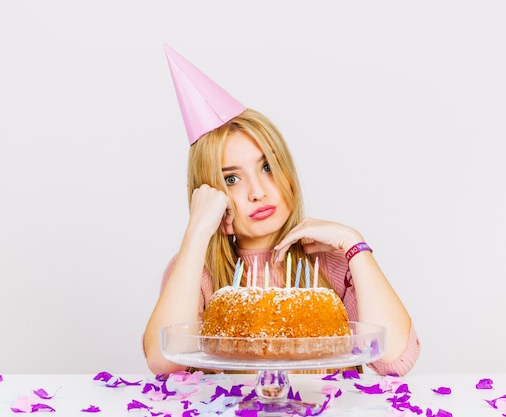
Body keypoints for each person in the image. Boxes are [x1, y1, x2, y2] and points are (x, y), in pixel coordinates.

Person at [143, 45, 420, 377]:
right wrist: (197, 233)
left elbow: (395, 358)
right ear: (210, 193)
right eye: (231, 178)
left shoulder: (331, 264)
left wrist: (354, 244)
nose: (258, 192)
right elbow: (164, 362)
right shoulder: (196, 272)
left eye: (267, 167)